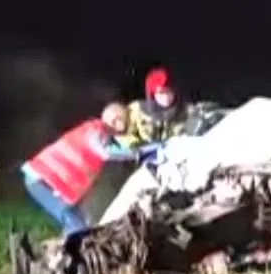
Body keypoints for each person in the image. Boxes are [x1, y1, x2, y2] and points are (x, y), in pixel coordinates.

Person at [20, 102, 141, 236]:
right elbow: (103, 151)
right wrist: (136, 153)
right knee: (77, 225)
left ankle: (63, 247)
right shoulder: (96, 129)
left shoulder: (94, 130)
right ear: (115, 120)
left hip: (48, 181)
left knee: (80, 223)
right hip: (43, 179)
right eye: (126, 122)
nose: (127, 128)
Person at [127, 67, 183, 145]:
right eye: (161, 93)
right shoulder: (136, 110)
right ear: (153, 94)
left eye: (169, 91)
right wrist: (134, 144)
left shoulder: (184, 110)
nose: (166, 97)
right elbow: (124, 133)